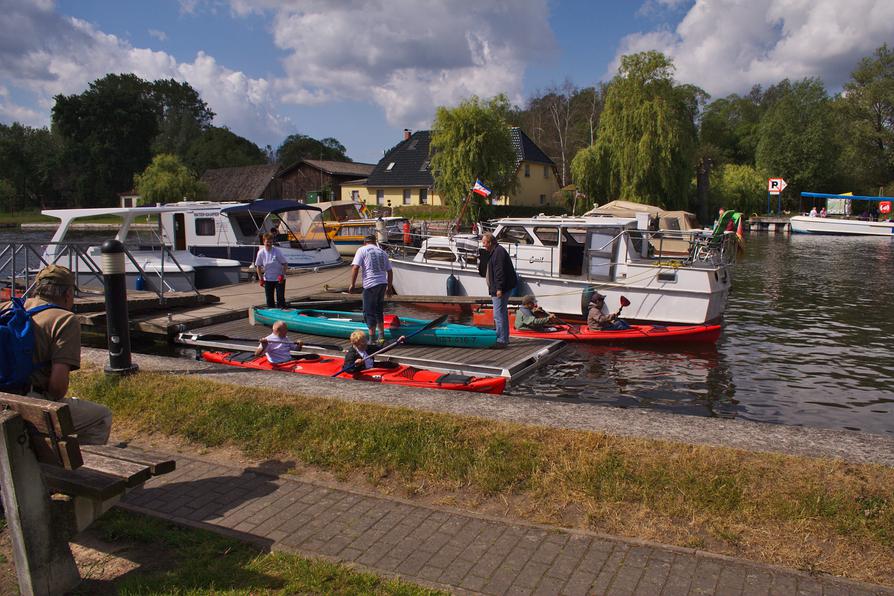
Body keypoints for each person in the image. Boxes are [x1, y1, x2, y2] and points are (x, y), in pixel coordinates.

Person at [8, 266, 112, 444]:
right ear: (68, 293)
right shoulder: (64, 320)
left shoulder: (8, 308)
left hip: (4, 399)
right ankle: (75, 470)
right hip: (30, 405)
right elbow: (57, 388)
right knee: (101, 416)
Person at [349, 235, 393, 344]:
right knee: (378, 310)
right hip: (382, 283)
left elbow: (355, 267)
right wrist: (389, 287)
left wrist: (352, 284)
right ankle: (381, 336)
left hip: (370, 284)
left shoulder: (362, 250)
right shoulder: (382, 252)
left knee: (369, 311)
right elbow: (390, 271)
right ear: (375, 242)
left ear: (365, 242)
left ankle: (372, 338)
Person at [481, 232, 517, 349]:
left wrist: (499, 288)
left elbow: (499, 272)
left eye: (485, 243)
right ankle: (504, 338)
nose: (483, 245)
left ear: (490, 242)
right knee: (501, 313)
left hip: (500, 288)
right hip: (500, 287)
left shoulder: (498, 252)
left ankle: (501, 340)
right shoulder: (495, 251)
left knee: (498, 314)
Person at [255, 232, 288, 308]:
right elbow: (258, 266)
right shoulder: (261, 253)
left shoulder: (277, 251)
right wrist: (261, 279)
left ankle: (282, 311)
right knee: (269, 299)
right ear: (264, 242)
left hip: (279, 278)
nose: (269, 244)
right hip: (268, 279)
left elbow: (285, 264)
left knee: (280, 298)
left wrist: (282, 275)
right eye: (267, 242)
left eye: (270, 242)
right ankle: (271, 311)